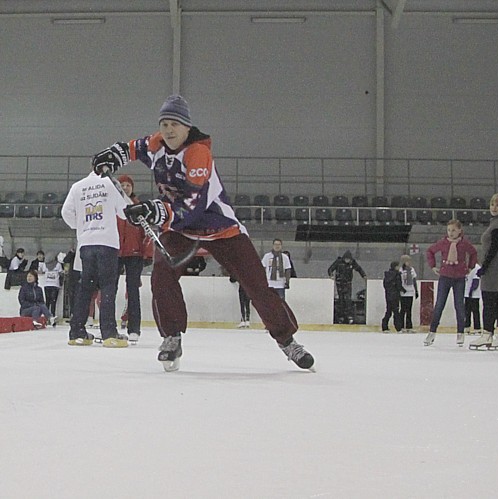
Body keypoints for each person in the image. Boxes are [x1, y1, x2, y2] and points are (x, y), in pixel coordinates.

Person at [90, 94, 314, 371]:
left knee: (257, 286)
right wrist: (112, 156)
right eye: (164, 123)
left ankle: (287, 340)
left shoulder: (198, 153)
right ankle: (171, 337)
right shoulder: (156, 143)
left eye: (174, 124)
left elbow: (192, 206)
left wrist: (155, 211)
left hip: (220, 229)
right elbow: (130, 148)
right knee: (161, 277)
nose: (168, 130)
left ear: (187, 127)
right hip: (180, 229)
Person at [61, 163, 129, 348]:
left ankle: (76, 332)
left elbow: (66, 212)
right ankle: (108, 333)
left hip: (86, 243)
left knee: (85, 287)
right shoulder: (110, 184)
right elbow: (125, 212)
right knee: (107, 286)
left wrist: (81, 226)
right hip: (107, 242)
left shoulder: (78, 186)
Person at [424, 219, 478, 347]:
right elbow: (430, 251)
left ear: (460, 230)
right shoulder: (443, 243)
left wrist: (470, 267)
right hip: (445, 277)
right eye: (449, 230)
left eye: (454, 230)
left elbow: (473, 253)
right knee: (439, 305)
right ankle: (432, 332)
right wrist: (433, 266)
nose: (451, 233)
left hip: (459, 277)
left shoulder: (464, 244)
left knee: (459, 306)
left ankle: (460, 332)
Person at [470, 194, 498, 350]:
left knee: (488, 302)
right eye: (492, 204)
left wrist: (484, 268)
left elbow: (493, 249)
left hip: (494, 268)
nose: (494, 207)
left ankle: (487, 333)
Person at [117, 174, 151, 345]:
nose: (124, 187)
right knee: (109, 289)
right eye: (121, 184)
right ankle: (108, 326)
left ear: (132, 187)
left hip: (134, 253)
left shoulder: (139, 206)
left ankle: (134, 329)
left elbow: (146, 232)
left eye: (127, 185)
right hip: (115, 252)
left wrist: (147, 254)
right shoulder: (113, 205)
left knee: (133, 291)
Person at [328, 250, 367, 324]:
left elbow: (359, 269)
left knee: (348, 300)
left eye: (349, 259)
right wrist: (331, 275)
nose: (347, 261)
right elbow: (330, 269)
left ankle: (349, 316)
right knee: (341, 300)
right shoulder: (339, 262)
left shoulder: (352, 263)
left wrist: (364, 276)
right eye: (346, 259)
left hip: (348, 283)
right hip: (339, 283)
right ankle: (341, 316)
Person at [381, 261, 404, 333]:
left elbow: (385, 285)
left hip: (388, 295)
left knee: (389, 311)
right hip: (395, 295)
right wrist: (403, 290)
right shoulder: (397, 275)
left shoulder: (387, 275)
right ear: (395, 267)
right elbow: (399, 285)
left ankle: (384, 326)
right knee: (396, 312)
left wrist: (389, 291)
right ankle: (398, 328)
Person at [39, 252, 63, 319]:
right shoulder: (58, 265)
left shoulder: (44, 265)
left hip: (47, 284)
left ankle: (46, 316)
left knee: (47, 301)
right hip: (55, 285)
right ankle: (52, 314)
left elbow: (42, 271)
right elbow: (61, 273)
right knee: (53, 301)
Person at [399, 254, 418, 333]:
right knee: (403, 309)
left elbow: (414, 280)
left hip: (410, 292)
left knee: (409, 310)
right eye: (407, 261)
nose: (409, 263)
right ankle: (401, 326)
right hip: (403, 292)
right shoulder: (400, 270)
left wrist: (416, 291)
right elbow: (399, 281)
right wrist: (401, 289)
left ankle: (409, 326)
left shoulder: (412, 270)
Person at [464, 263, 482, 335]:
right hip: (467, 294)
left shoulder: (477, 268)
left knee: (475, 312)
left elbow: (476, 281)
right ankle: (467, 327)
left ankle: (477, 328)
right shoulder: (467, 267)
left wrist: (471, 291)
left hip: (474, 295)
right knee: (467, 312)